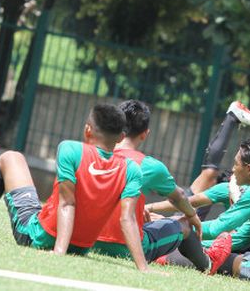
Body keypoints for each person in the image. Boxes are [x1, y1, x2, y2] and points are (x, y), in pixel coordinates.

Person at [0, 104, 151, 271]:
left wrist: (59, 251)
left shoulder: (71, 149)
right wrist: (143, 268)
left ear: (87, 130)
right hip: (81, 247)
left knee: (10, 157)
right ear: (121, 137)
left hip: (38, 236)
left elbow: (68, 203)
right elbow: (128, 219)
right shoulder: (132, 169)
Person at [90, 100, 218, 273]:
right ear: (145, 134)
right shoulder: (148, 165)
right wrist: (192, 214)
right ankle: (209, 265)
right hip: (127, 248)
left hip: (87, 239)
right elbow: (178, 196)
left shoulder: (92, 155)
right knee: (184, 224)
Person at [189, 101, 250, 220]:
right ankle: (232, 117)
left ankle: (231, 117)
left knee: (208, 175)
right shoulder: (240, 191)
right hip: (184, 228)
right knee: (208, 176)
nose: (233, 168)